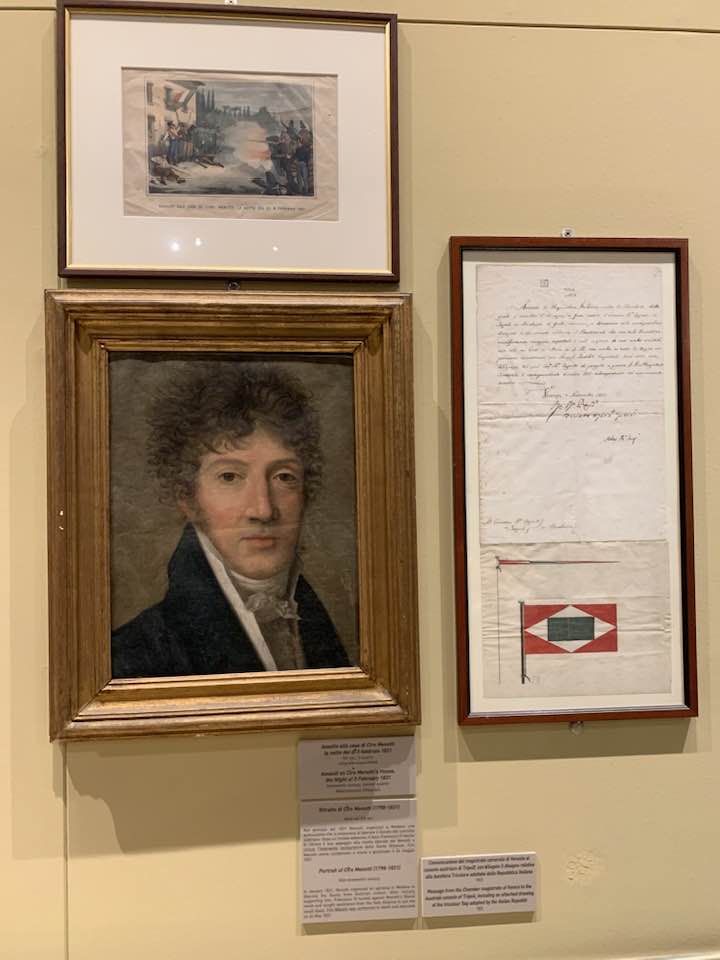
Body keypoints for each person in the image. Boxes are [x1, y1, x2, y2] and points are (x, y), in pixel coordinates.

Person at [111, 362, 351, 678]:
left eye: (283, 476)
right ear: (188, 497)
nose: (263, 510)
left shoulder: (316, 626)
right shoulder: (132, 655)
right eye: (229, 476)